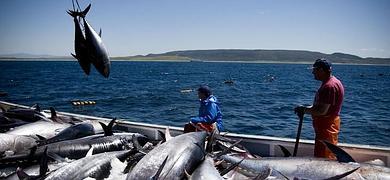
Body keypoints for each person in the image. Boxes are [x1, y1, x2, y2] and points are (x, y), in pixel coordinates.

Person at [294, 58, 344, 159]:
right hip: (325, 127)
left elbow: (322, 111)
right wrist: (305, 108)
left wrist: (304, 110)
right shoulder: (332, 82)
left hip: (327, 127)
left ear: (321, 70)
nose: (313, 72)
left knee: (325, 157)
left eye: (315, 70)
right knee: (324, 153)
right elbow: (320, 107)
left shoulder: (329, 86)